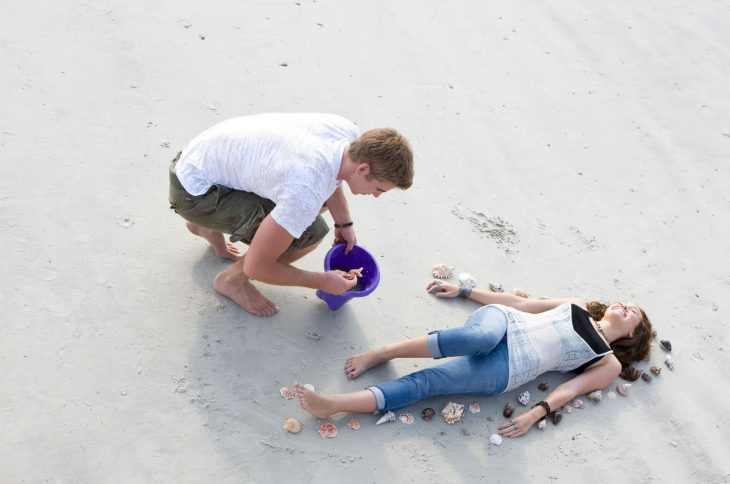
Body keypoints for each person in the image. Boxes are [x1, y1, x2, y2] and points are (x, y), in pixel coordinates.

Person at [294, 278, 653, 438]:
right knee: (479, 337)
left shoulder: (609, 363)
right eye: (624, 300)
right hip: (505, 322)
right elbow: (522, 305)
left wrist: (533, 415)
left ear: (635, 332)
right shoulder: (575, 304)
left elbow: (572, 389)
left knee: (431, 383)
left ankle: (334, 405)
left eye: (632, 310)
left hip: (511, 368)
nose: (624, 304)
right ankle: (384, 352)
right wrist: (465, 290)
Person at [168, 113, 414, 317]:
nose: (377, 196)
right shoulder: (305, 190)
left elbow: (331, 178)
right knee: (310, 234)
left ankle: (208, 225)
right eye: (379, 189)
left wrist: (344, 223)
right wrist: (323, 281)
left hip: (196, 163)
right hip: (193, 196)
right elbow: (259, 266)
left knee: (311, 205)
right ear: (363, 169)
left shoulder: (346, 133)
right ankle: (231, 281)